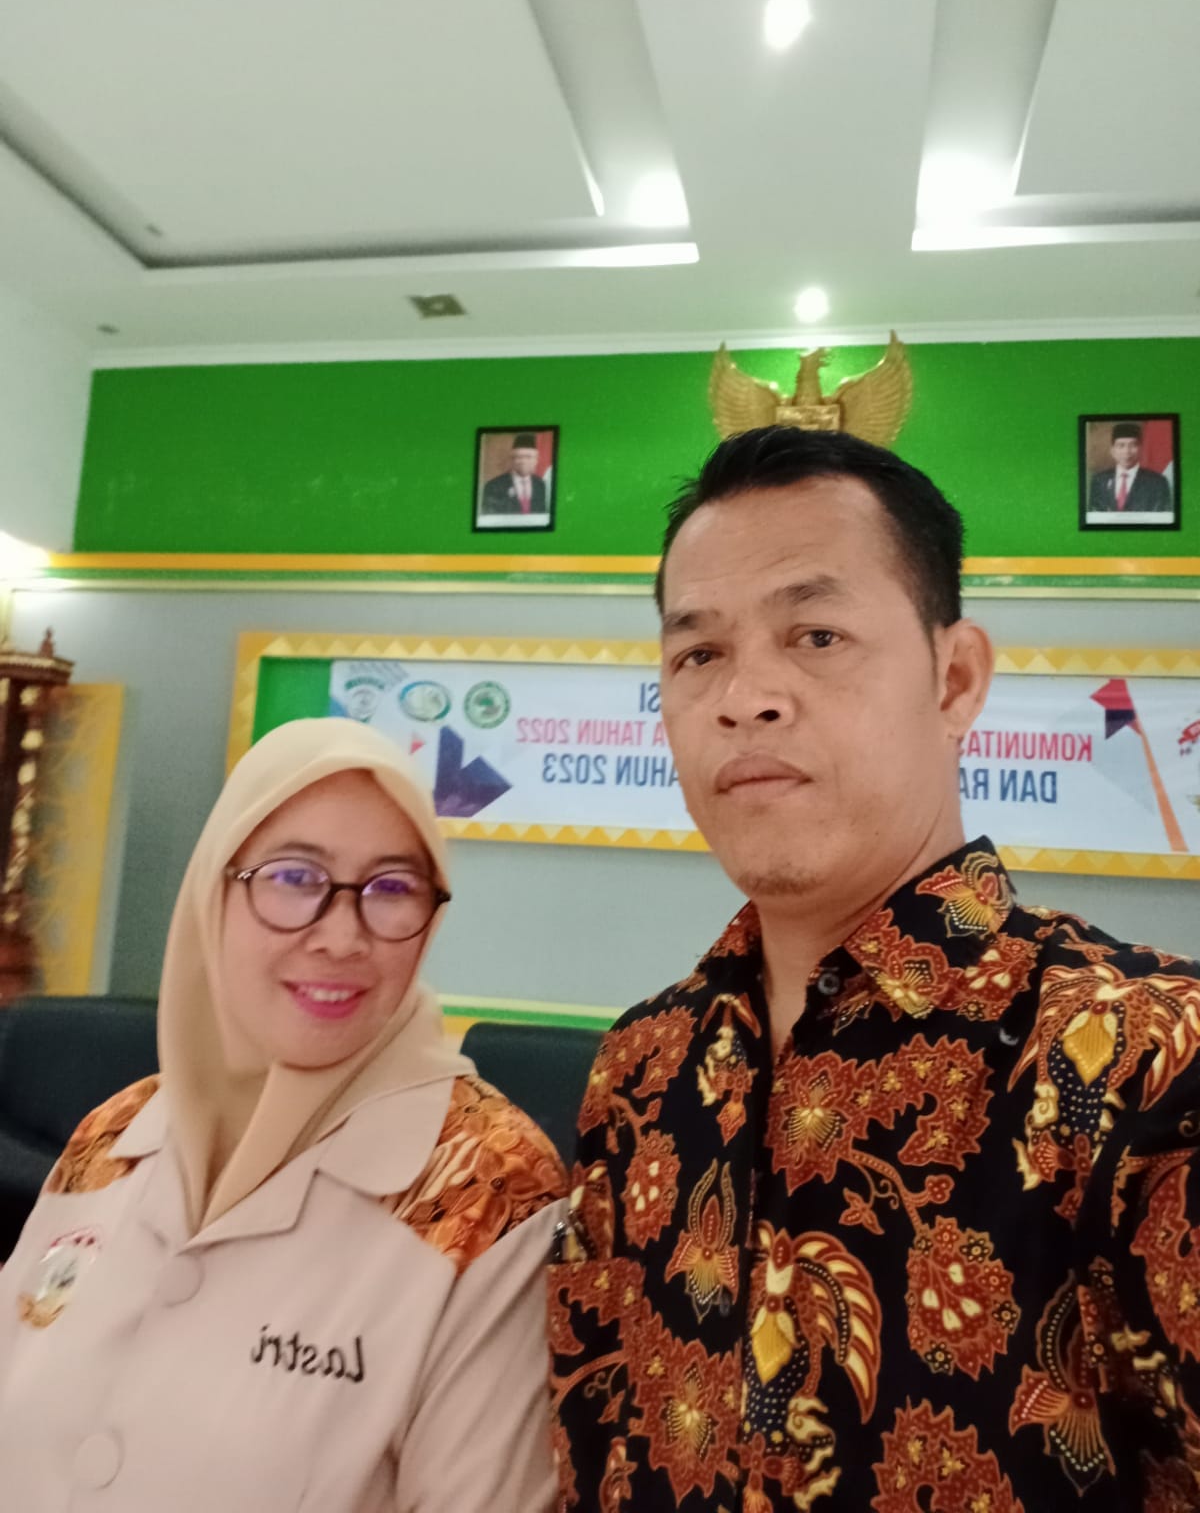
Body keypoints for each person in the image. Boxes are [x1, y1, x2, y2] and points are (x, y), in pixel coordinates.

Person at [549, 427, 1200, 1511]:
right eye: (698, 653)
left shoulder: (1149, 1060)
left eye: (816, 634)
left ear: (955, 679)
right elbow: (589, 1448)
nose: (745, 696)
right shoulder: (641, 1071)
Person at [0, 718, 566, 1511]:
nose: (341, 936)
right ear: (214, 891)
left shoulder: (488, 1185)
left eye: (392, 889)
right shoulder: (116, 1132)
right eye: (295, 878)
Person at [1088, 421, 1172, 513]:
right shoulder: (1099, 481)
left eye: (1133, 445)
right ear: (1112, 451)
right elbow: (1094, 514)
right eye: (1121, 445)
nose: (1127, 451)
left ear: (1140, 449)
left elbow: (1162, 516)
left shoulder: (1157, 482)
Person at [481, 433, 548, 516]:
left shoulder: (541, 484)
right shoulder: (494, 486)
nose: (523, 461)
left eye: (528, 457)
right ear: (511, 460)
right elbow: (490, 517)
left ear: (536, 460)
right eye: (518, 457)